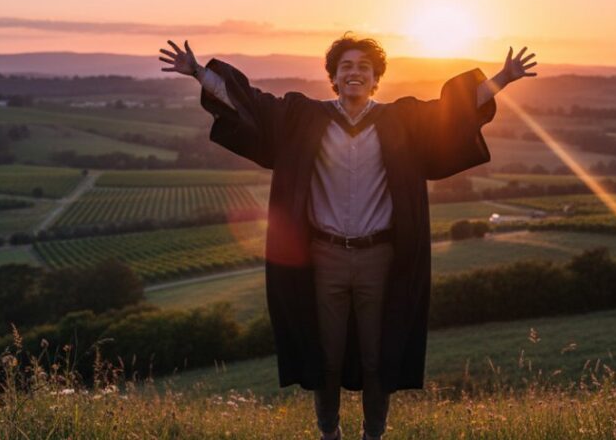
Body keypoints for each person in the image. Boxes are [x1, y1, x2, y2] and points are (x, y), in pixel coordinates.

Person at [159, 35, 537, 440]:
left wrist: (503, 78)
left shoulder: (402, 120)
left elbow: (454, 111)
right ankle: (329, 434)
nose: (354, 73)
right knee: (326, 358)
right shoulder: (302, 117)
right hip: (324, 258)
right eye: (346, 67)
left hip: (381, 260)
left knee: (379, 358)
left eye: (364, 68)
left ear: (376, 81)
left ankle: (374, 434)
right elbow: (248, 103)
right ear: (334, 78)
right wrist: (199, 72)